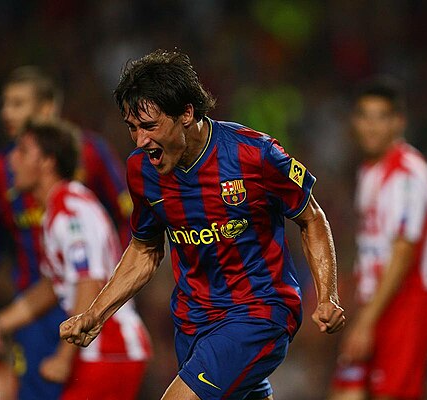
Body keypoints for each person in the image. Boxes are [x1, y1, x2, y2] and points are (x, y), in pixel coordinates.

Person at [59, 49, 346, 400]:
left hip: (259, 312)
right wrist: (96, 313)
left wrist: (327, 295)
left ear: (186, 113)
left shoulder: (254, 155)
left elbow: (311, 217)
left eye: (150, 126)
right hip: (193, 320)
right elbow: (145, 248)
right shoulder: (142, 171)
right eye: (132, 129)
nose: (140, 141)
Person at [0, 66, 131, 399]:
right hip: (36, 300)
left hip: (86, 308)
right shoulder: (2, 169)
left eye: (17, 103)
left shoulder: (76, 191)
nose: (6, 113)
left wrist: (121, 282)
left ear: (46, 109)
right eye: (5, 103)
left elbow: (127, 221)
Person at [328, 77, 427, 400]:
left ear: (398, 122)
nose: (371, 126)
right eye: (365, 116)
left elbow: (403, 252)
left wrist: (367, 320)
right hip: (373, 300)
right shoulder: (369, 172)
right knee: (345, 391)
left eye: (381, 117)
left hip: (405, 302)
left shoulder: (408, 175)